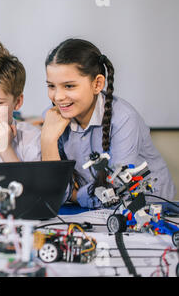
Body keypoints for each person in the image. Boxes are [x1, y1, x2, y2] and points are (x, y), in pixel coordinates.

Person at [40, 38, 177, 208]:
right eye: (51, 86)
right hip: (95, 209)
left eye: (69, 86)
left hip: (150, 206)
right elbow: (54, 195)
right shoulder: (54, 118)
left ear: (97, 84)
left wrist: (74, 195)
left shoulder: (124, 118)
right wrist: (48, 140)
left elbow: (119, 190)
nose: (58, 96)